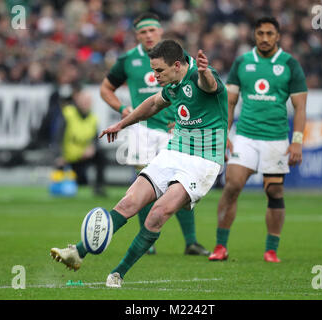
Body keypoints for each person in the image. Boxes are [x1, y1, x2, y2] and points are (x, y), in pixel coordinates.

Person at [51, 40, 228, 288]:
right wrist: (121, 124)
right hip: (175, 150)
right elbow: (153, 104)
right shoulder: (173, 84)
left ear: (177, 65)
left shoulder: (202, 78)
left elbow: (208, 85)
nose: (154, 75)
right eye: (153, 70)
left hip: (203, 161)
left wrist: (205, 71)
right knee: (128, 202)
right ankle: (78, 252)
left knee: (157, 214)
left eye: (159, 71)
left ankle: (118, 273)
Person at [99, 12, 209, 256]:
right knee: (145, 184)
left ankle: (191, 241)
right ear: (136, 35)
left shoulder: (177, 58)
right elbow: (105, 88)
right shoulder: (128, 60)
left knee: (181, 185)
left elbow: (196, 90)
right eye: (143, 32)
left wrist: (186, 119)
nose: (148, 35)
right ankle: (147, 243)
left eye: (152, 31)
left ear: (160, 31)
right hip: (143, 131)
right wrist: (122, 109)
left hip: (175, 129)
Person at [208, 17, 307, 263]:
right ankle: (220, 246)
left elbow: (300, 107)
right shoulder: (242, 62)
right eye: (260, 33)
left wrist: (297, 141)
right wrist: (224, 135)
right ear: (254, 34)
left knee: (274, 190)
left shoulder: (290, 64)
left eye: (269, 33)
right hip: (246, 136)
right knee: (232, 185)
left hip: (275, 138)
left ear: (278, 36)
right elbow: (229, 102)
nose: (264, 38)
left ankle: (271, 249)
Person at [53, 86, 107, 196]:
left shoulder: (93, 118)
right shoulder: (68, 113)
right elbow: (58, 136)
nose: (86, 104)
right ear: (77, 101)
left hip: (83, 156)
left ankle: (99, 187)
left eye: (88, 102)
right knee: (70, 186)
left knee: (101, 156)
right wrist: (59, 155)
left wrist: (92, 148)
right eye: (84, 101)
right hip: (68, 157)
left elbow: (97, 140)